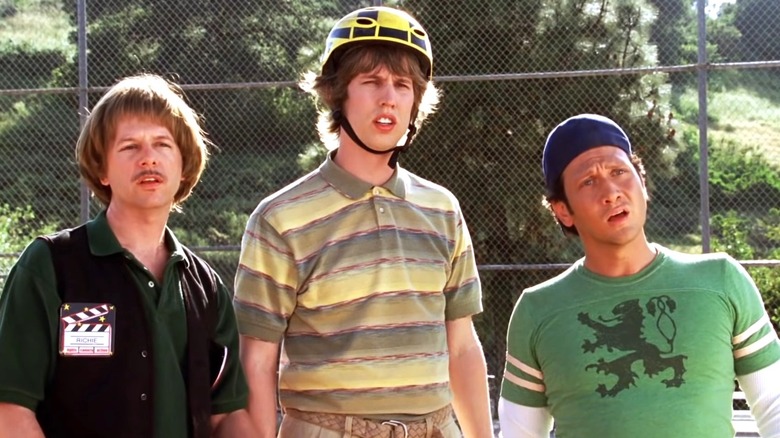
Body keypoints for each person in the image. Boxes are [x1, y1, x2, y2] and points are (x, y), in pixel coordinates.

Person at [233, 6, 493, 438]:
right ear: (338, 94)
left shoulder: (443, 209)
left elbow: (462, 346)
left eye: (402, 84)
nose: (388, 97)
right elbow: (256, 361)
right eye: (371, 82)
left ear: (416, 101)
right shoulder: (280, 218)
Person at [0, 74, 251, 438]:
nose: (148, 158)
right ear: (102, 169)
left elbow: (226, 416)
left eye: (162, 144)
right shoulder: (51, 266)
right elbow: (10, 409)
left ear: (184, 166)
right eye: (130, 146)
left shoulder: (206, 288)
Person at [498, 113, 780, 437]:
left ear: (642, 182)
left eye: (619, 171)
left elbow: (774, 405)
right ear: (563, 210)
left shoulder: (721, 280)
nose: (611, 192)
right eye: (588, 181)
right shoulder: (537, 310)